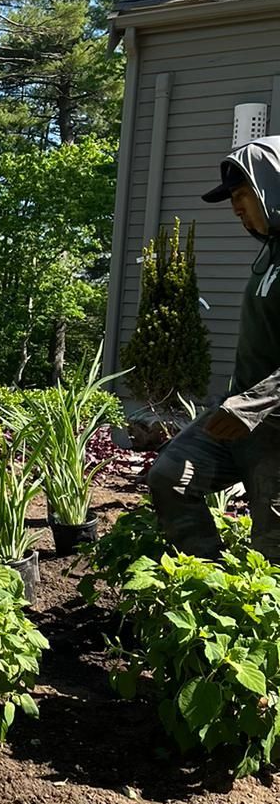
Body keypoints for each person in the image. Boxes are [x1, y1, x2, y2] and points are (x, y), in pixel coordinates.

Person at [147, 135, 280, 562]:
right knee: (171, 477)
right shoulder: (271, 253)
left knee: (272, 552)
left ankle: (258, 620)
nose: (236, 207)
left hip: (271, 427)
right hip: (237, 417)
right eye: (233, 198)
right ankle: (209, 582)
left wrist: (252, 404)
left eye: (243, 194)